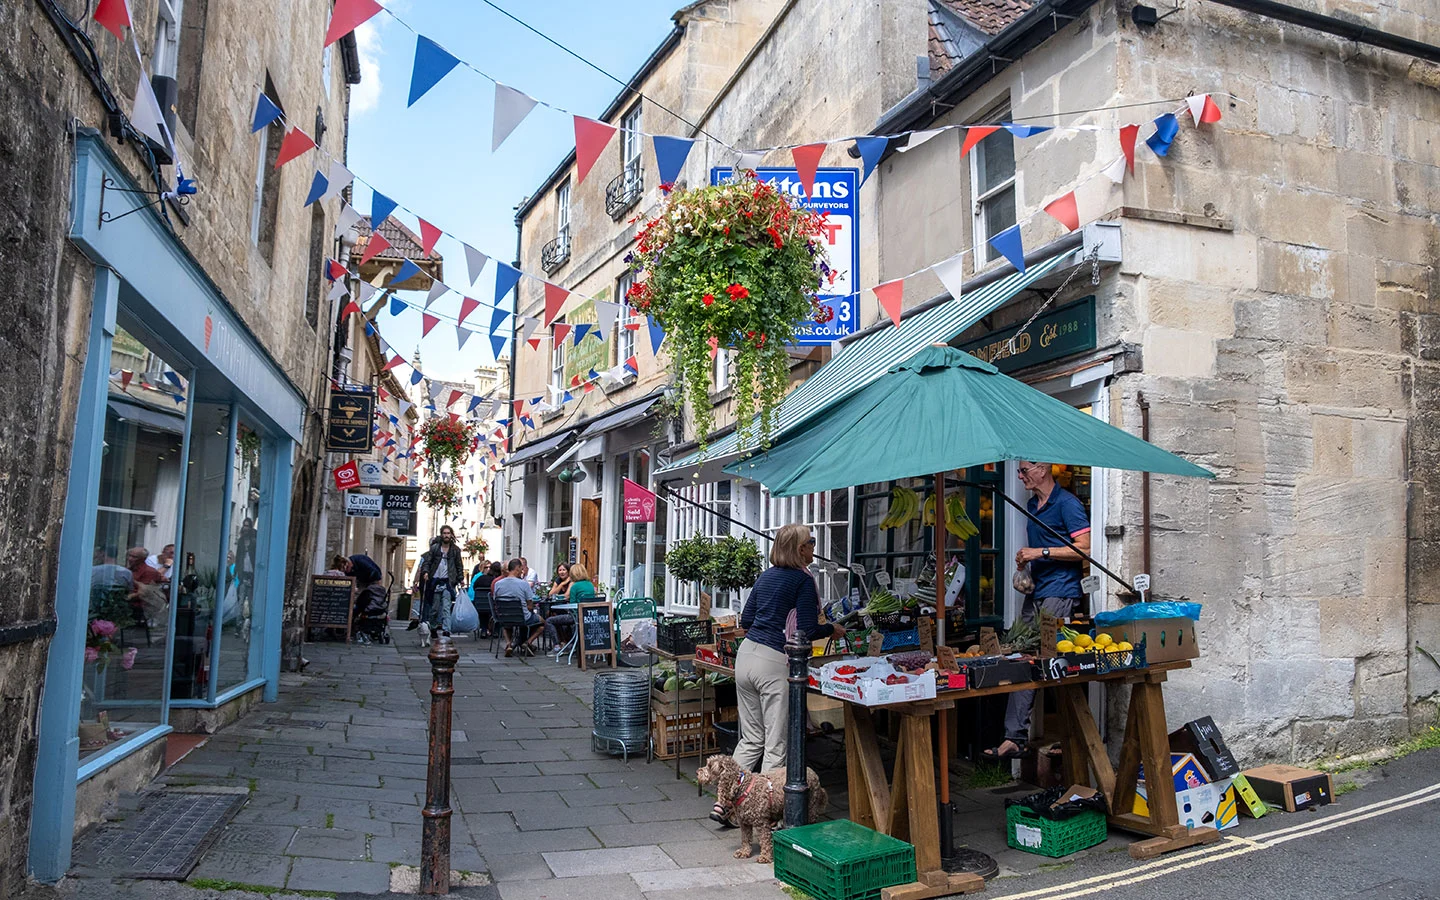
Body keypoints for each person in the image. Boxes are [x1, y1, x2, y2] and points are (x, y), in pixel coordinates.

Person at [984, 461, 1090, 761]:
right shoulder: (1033, 505)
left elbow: (1086, 548)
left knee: (1049, 660)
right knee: (1021, 656)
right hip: (1038, 590)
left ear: (1043, 469)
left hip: (1060, 591)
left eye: (1024, 470)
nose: (1019, 476)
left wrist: (1039, 552)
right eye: (1018, 471)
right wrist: (1024, 562)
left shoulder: (1067, 503)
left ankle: (1072, 737)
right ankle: (1014, 737)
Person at [734, 525, 844, 779]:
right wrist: (831, 629)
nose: (814, 547)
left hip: (746, 656)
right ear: (800, 549)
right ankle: (766, 809)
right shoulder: (802, 580)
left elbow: (747, 620)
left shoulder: (766, 576)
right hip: (772, 662)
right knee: (775, 744)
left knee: (751, 739)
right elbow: (806, 629)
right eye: (811, 541)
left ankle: (725, 801)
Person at [414, 526, 463, 644]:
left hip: (448, 582)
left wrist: (460, 579)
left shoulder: (455, 550)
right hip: (435, 581)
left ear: (451, 535)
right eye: (444, 533)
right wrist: (426, 572)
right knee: (434, 608)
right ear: (441, 535)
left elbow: (459, 565)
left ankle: (446, 630)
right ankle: (433, 627)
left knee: (446, 608)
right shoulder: (435, 548)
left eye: (448, 533)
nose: (446, 535)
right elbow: (427, 562)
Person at [492, 558, 542, 657]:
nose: (522, 571)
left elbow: (496, 600)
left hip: (504, 616)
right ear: (517, 568)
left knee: (507, 625)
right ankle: (527, 642)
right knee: (543, 623)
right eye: (521, 569)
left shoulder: (498, 584)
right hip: (522, 617)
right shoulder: (524, 584)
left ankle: (509, 644)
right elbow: (530, 604)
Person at [545, 562, 587, 646]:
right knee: (553, 614)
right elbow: (550, 594)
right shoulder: (589, 584)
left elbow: (568, 598)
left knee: (549, 620)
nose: (562, 572)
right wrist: (562, 584)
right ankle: (564, 641)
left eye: (564, 570)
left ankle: (557, 645)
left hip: (574, 615)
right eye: (560, 570)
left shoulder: (574, 585)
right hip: (586, 615)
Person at [470, 562, 494, 637]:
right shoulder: (493, 580)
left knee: (482, 612)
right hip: (490, 605)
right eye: (487, 567)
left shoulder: (478, 578)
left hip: (479, 603)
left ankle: (483, 630)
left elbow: (474, 588)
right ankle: (493, 630)